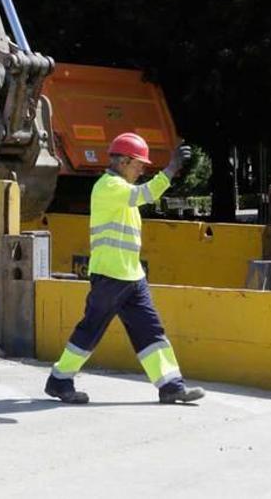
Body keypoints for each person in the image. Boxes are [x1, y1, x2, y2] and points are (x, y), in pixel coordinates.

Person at [44, 132, 205, 405]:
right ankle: (59, 380)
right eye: (139, 163)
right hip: (110, 274)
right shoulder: (110, 187)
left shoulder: (121, 190)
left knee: (151, 331)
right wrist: (171, 168)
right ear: (123, 162)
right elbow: (147, 193)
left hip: (131, 276)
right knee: (91, 330)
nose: (143, 168)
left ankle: (171, 386)